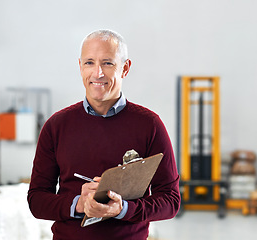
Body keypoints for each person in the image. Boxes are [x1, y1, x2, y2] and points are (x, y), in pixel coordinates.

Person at [27, 29, 180, 240]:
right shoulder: (56, 126)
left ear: (125, 68)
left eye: (107, 63)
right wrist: (79, 204)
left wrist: (122, 209)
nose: (97, 73)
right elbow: (36, 200)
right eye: (89, 62)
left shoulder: (150, 125)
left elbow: (170, 200)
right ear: (80, 67)